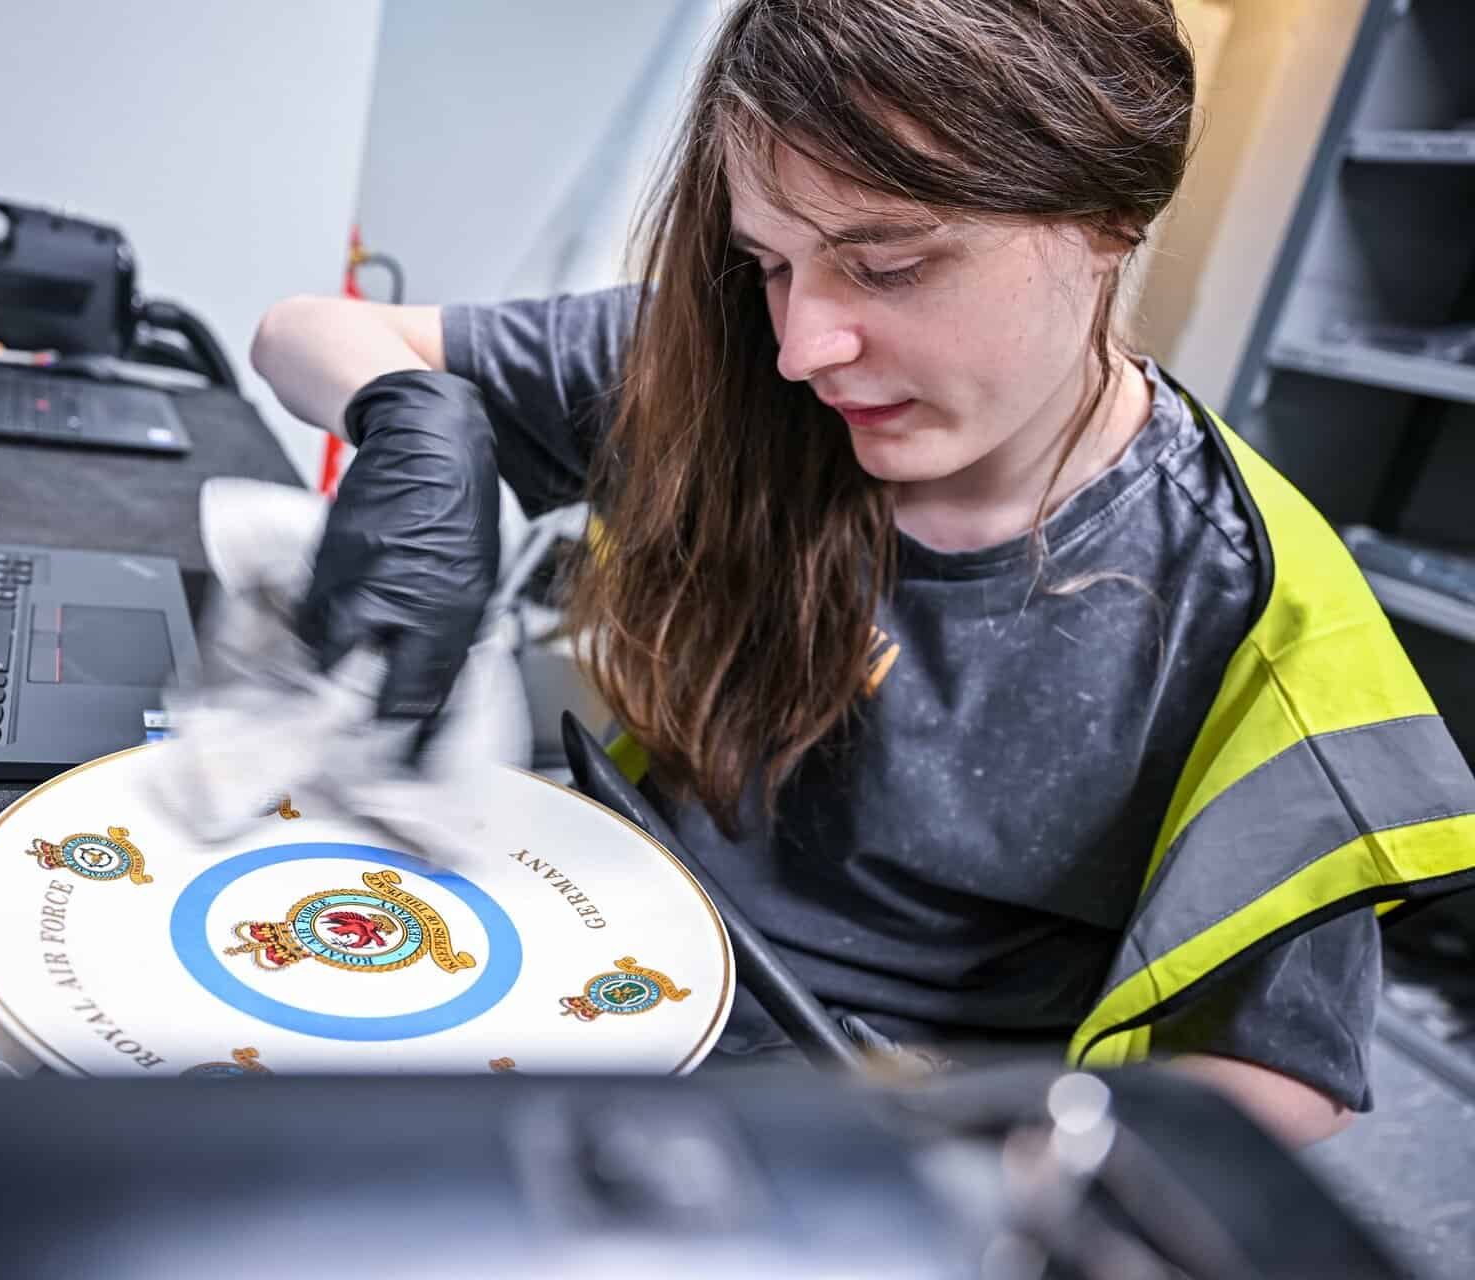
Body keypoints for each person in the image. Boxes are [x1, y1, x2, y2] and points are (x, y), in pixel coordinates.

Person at [250, 0, 1475, 1148]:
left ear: (1109, 218)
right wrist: (412, 418)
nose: (801, 346)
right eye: (772, 261)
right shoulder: (716, 370)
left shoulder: (1257, 610)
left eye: (886, 265)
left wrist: (994, 1161)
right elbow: (300, 330)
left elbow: (1277, 1080)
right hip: (603, 989)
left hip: (902, 1142)